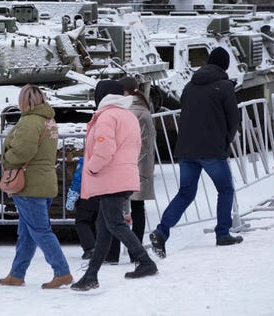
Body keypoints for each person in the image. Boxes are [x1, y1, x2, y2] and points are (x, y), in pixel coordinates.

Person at [149, 47, 242, 260]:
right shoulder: (225, 87)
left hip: (187, 149)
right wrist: (225, 141)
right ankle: (223, 233)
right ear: (225, 65)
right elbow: (234, 119)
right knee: (225, 190)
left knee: (185, 193)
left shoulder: (190, 86)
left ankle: (162, 232)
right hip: (212, 150)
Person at [71, 80, 158, 292]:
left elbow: (105, 148)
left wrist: (91, 169)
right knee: (104, 229)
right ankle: (91, 275)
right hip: (123, 176)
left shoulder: (107, 116)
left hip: (110, 178)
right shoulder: (127, 115)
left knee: (116, 224)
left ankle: (145, 261)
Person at [0, 84, 73, 289]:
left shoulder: (29, 122)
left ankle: (62, 272)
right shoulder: (49, 121)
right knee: (27, 232)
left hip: (30, 185)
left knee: (40, 231)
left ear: (24, 101)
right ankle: (17, 273)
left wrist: (6, 158)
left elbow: (22, 152)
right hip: (43, 182)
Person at [113, 76, 156, 262]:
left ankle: (133, 251)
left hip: (131, 165)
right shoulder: (143, 109)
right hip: (141, 165)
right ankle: (135, 251)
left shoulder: (129, 111)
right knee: (138, 209)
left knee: (122, 211)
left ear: (125, 92)